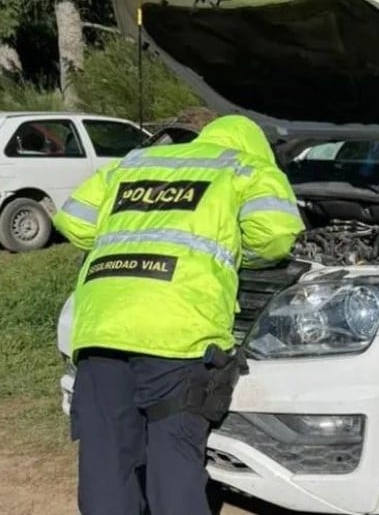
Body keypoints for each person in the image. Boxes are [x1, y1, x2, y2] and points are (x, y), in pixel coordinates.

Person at [53, 114, 305, 515]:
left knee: (107, 458)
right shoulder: (245, 167)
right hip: (176, 334)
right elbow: (275, 237)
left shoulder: (136, 161)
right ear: (257, 146)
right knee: (173, 458)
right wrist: (231, 258)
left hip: (102, 327)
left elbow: (74, 222)